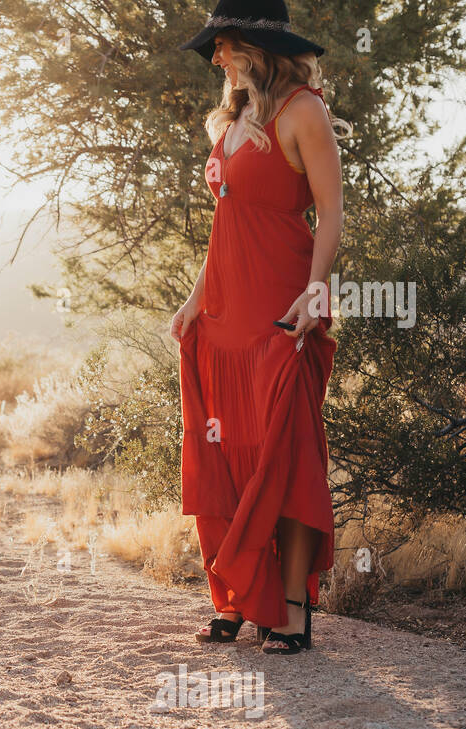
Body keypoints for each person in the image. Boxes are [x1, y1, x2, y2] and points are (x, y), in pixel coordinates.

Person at [171, 0, 353, 654]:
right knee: (230, 452)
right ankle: (240, 597)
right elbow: (227, 221)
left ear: (253, 42)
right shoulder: (237, 116)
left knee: (289, 450)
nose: (216, 58)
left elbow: (330, 212)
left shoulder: (303, 109)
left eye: (221, 44)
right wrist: (196, 295)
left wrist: (315, 291)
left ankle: (293, 608)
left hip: (282, 300)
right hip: (224, 306)